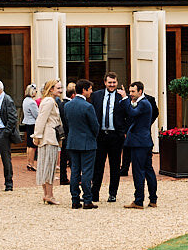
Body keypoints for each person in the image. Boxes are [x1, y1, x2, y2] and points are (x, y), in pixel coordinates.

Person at [63, 79, 100, 209]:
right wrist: (93, 137)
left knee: (75, 171)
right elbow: (95, 126)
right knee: (87, 172)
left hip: (73, 141)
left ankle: (75, 200)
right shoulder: (88, 106)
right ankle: (87, 200)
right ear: (84, 90)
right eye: (90, 89)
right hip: (87, 142)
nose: (91, 92)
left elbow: (67, 124)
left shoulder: (67, 105)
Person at [121, 81, 157, 209]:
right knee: (148, 170)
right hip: (144, 141)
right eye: (129, 91)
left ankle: (139, 200)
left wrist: (124, 98)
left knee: (139, 171)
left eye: (133, 91)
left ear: (140, 91)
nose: (130, 94)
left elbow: (132, 113)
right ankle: (153, 199)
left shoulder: (144, 103)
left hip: (139, 143)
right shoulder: (143, 103)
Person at [91, 73, 127, 203]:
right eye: (109, 82)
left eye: (114, 82)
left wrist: (123, 132)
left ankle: (113, 194)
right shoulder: (96, 95)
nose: (112, 85)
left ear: (117, 83)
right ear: (105, 82)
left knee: (115, 166)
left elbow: (128, 114)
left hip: (116, 136)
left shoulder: (121, 96)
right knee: (98, 166)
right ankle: (94, 193)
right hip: (100, 136)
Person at [31, 80, 64, 205]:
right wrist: (37, 135)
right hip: (49, 138)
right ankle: (49, 195)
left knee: (45, 166)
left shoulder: (48, 101)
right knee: (49, 167)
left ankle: (47, 194)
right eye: (58, 88)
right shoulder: (49, 101)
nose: (60, 90)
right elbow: (41, 119)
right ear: (51, 89)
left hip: (48, 137)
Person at [0, 80, 20, 191]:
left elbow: (13, 118)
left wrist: (6, 132)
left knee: (6, 160)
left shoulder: (7, 100)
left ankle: (8, 183)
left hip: (3, 133)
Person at [58, 82, 77, 187]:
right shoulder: (69, 105)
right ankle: (75, 177)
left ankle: (63, 177)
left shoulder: (61, 104)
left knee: (64, 157)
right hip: (70, 133)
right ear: (73, 95)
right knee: (73, 158)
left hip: (64, 134)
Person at [21, 84, 40, 171]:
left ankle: (29, 162)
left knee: (29, 145)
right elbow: (36, 114)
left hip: (27, 123)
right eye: (35, 91)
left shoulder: (25, 100)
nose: (36, 93)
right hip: (32, 124)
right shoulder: (32, 102)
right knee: (32, 145)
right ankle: (31, 163)